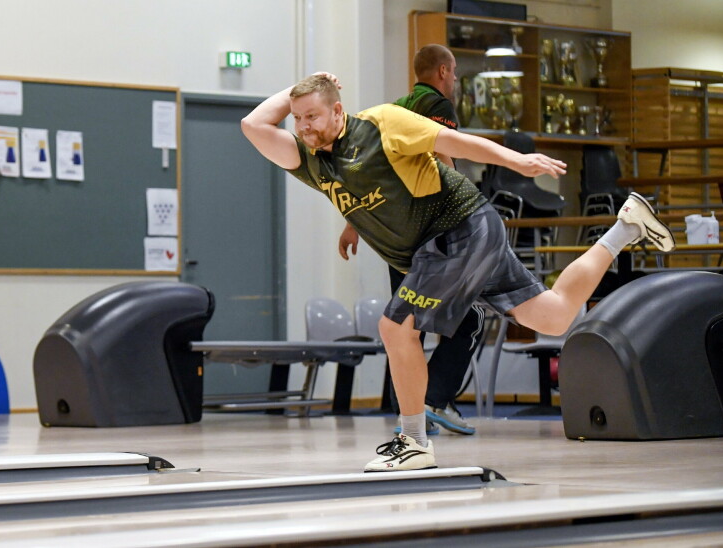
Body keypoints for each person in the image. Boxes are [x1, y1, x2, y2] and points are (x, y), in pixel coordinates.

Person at [241, 72, 674, 471]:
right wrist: (299, 93)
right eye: (297, 119)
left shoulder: (382, 123)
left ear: (339, 109)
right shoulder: (314, 162)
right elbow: (253, 126)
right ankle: (626, 226)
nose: (304, 127)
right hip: (449, 245)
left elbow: (454, 143)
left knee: (396, 327)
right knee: (554, 316)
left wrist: (515, 162)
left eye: (313, 115)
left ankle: (413, 441)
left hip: (459, 228)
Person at [337, 44, 479, 437]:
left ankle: (411, 414)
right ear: (443, 71)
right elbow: (445, 158)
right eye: (452, 73)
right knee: (470, 319)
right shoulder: (438, 105)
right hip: (432, 234)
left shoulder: (394, 109)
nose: (453, 79)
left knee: (406, 326)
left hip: (394, 238)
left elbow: (365, 174)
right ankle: (433, 400)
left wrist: (354, 222)